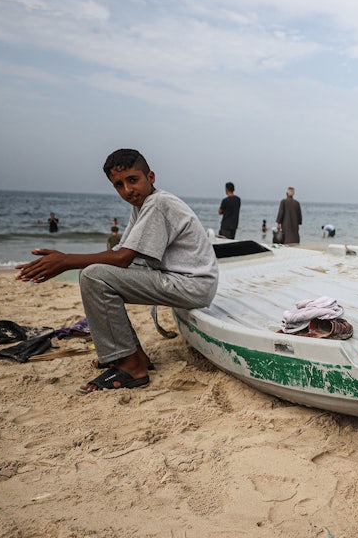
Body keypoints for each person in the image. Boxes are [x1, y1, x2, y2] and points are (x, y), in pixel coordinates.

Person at [16, 148, 218, 393]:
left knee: (94, 276)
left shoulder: (158, 204)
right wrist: (67, 261)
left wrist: (66, 261)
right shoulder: (143, 205)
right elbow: (123, 251)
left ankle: (132, 367)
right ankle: (132, 357)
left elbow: (122, 258)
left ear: (150, 177)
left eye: (133, 180)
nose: (127, 190)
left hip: (191, 284)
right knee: (94, 273)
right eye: (118, 185)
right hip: (179, 280)